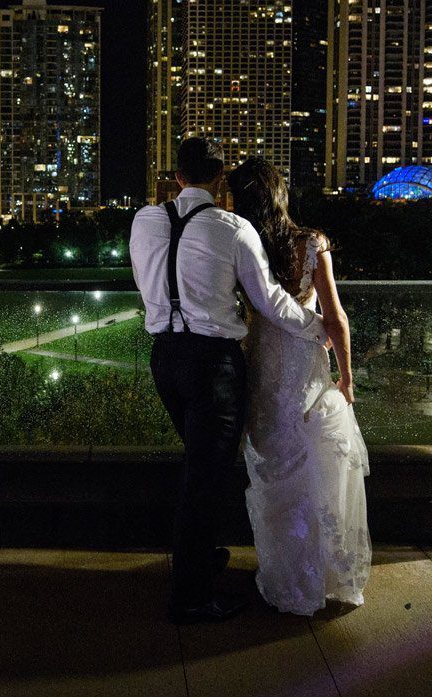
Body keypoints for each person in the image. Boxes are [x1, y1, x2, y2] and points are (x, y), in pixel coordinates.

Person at [129, 137, 327, 623]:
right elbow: (271, 303)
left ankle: (202, 560)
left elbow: (144, 280)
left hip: (165, 358)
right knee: (205, 478)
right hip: (213, 365)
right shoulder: (233, 228)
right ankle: (190, 596)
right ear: (221, 182)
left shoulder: (143, 220)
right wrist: (319, 329)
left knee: (201, 469)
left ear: (177, 177)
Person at [227, 157, 370, 616]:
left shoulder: (240, 243)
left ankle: (287, 577)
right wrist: (346, 377)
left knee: (274, 469)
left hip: (263, 358)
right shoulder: (309, 244)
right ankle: (325, 576)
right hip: (303, 362)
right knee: (316, 468)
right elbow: (336, 317)